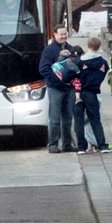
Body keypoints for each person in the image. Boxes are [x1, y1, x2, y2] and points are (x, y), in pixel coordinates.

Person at [39, 25, 75, 153]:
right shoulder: (49, 50)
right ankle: (53, 144)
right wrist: (57, 80)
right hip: (55, 89)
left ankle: (66, 144)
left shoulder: (71, 49)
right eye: (61, 34)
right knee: (54, 118)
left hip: (69, 88)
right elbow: (43, 69)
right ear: (54, 34)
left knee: (68, 118)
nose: (64, 37)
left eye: (65, 34)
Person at [76, 37, 111, 153]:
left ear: (88, 45)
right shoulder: (103, 63)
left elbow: (74, 75)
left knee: (79, 121)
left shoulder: (80, 61)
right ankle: (102, 145)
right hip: (92, 92)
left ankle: (81, 147)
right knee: (95, 119)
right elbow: (104, 71)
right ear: (99, 47)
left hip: (79, 93)